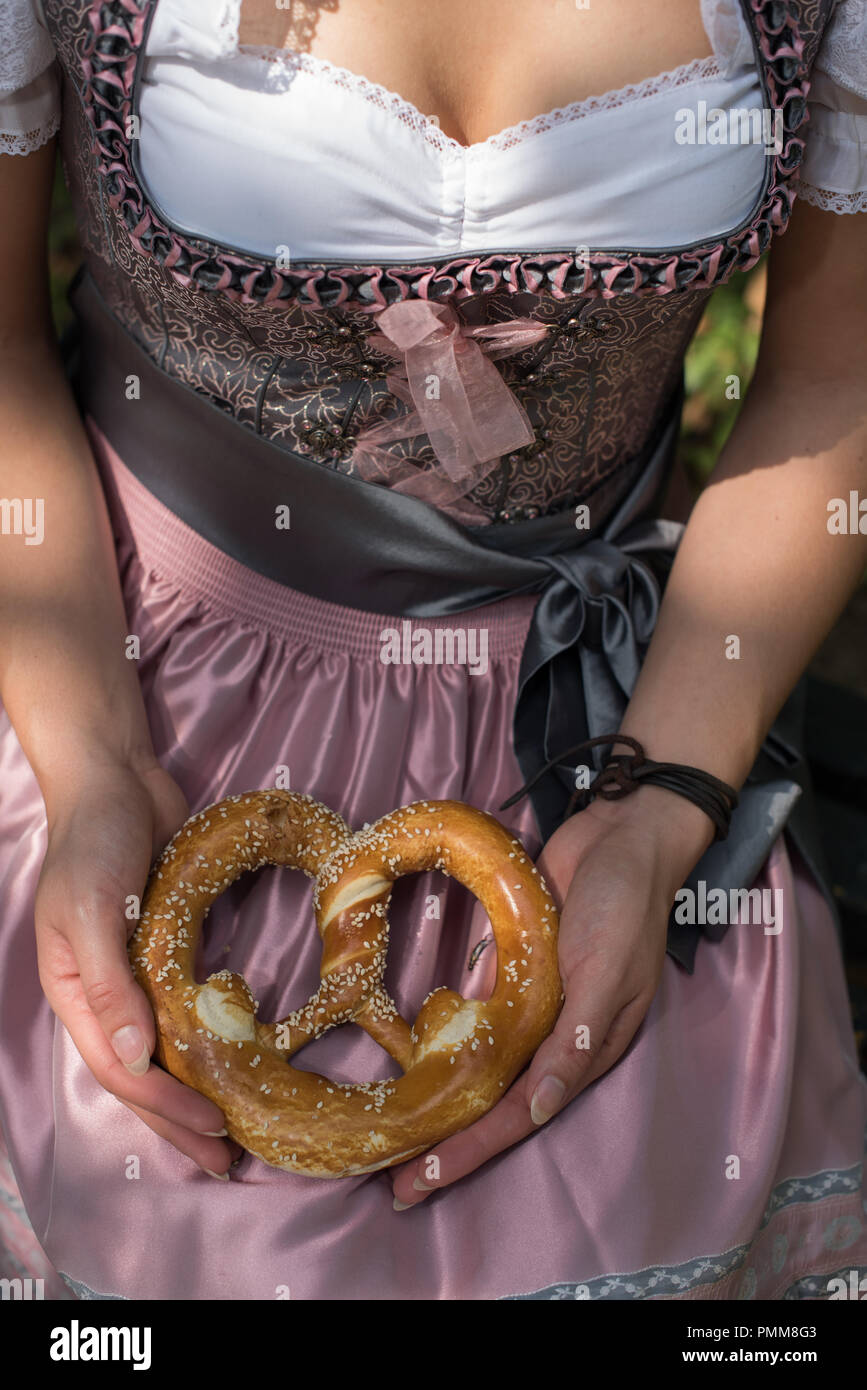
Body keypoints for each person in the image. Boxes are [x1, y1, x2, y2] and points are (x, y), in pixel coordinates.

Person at [0, 0, 865, 1301]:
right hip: (114, 689)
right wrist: (93, 766)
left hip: (611, 737)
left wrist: (665, 804)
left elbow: (831, 377)